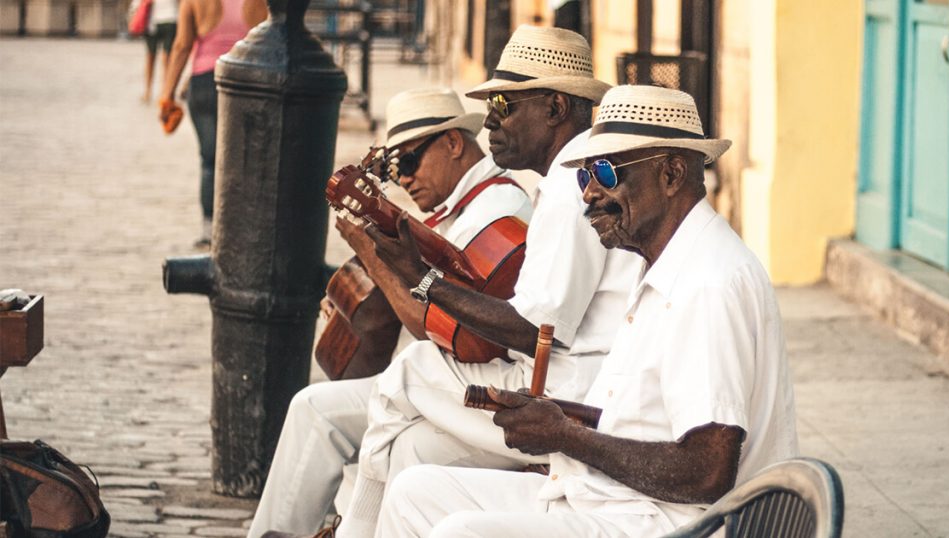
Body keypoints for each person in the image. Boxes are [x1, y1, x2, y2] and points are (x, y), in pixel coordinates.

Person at [376, 85, 799, 537]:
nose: (590, 193)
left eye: (605, 172)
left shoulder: (707, 283)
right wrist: (555, 418)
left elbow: (707, 472)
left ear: (672, 173)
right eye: (583, 177)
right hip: (620, 500)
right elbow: (647, 420)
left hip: (674, 523)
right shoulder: (663, 263)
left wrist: (565, 436)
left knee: (459, 532)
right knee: (414, 492)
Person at [337, 25, 643, 538]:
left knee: (407, 376)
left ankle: (351, 530)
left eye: (505, 102)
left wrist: (425, 280)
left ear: (554, 108)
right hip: (568, 378)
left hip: (568, 395)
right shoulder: (569, 176)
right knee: (411, 448)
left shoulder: (575, 183)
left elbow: (535, 332)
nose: (492, 122)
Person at [248, 88, 534, 538]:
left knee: (324, 415)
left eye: (409, 162)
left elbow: (444, 330)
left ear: (453, 143)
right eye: (393, 169)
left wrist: (375, 258)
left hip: (473, 384)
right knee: (315, 409)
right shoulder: (457, 209)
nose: (403, 180)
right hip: (441, 379)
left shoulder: (497, 210)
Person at [158, 0, 266, 248]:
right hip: (247, 81)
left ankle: (209, 230)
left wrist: (167, 94)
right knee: (246, 159)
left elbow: (182, 45)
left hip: (206, 81)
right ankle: (243, 226)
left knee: (210, 159)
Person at [137, 0, 178, 103]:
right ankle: (150, 90)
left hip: (169, 18)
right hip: (154, 21)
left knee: (164, 58)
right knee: (153, 57)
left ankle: (163, 91)